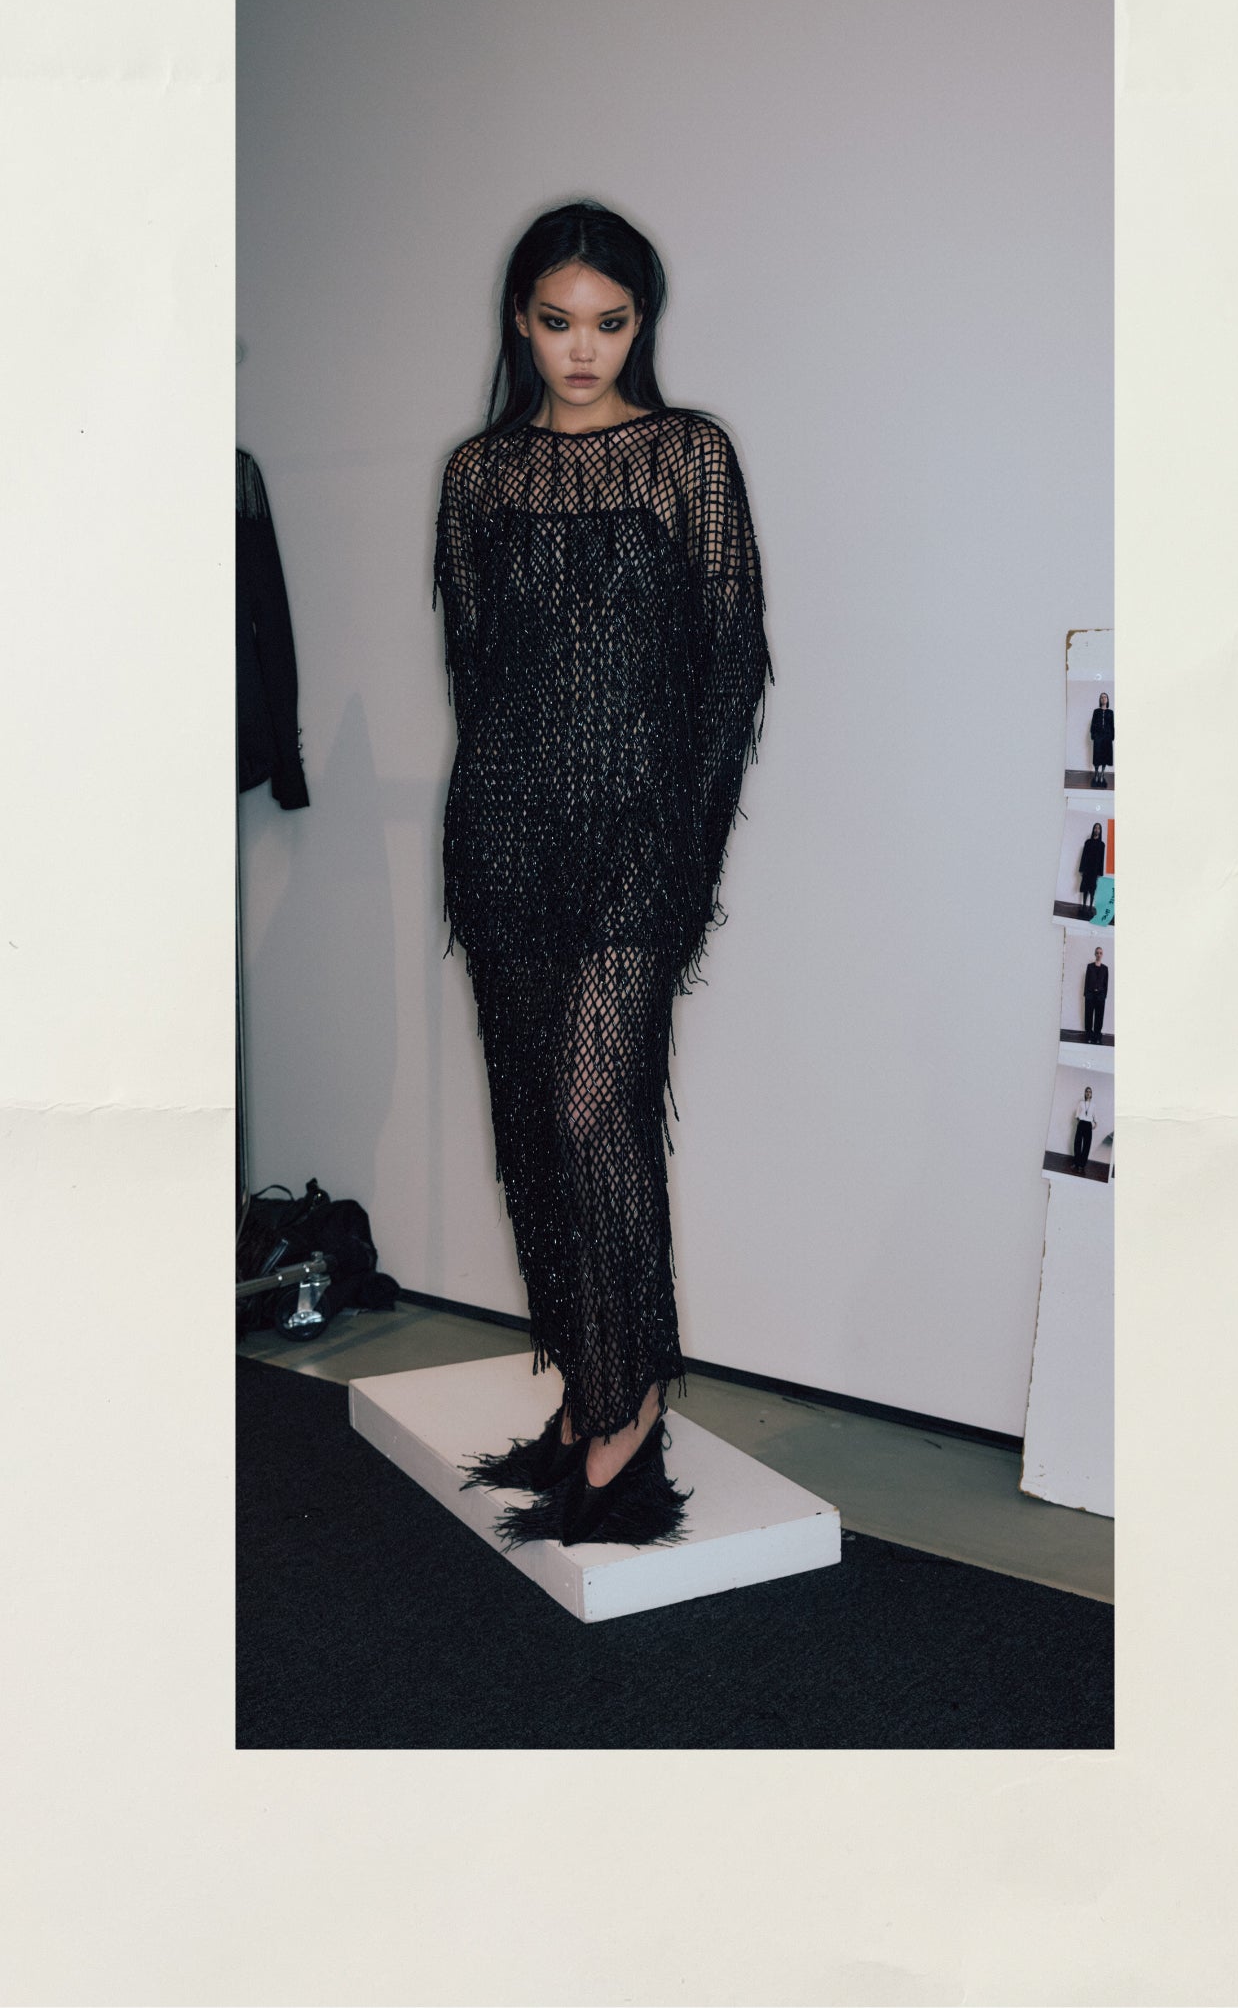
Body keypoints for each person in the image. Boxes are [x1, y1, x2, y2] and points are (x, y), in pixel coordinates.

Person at [432, 200, 773, 1551]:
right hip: (504, 830)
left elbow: (730, 670)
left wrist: (689, 850)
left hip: (639, 840)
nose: (583, 350)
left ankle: (627, 1413)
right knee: (532, 1127)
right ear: (521, 323)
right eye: (558, 321)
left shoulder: (689, 456)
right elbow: (474, 671)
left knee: (594, 1116)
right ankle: (581, 1391)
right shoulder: (479, 475)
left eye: (610, 322)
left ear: (642, 324)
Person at [1078, 820, 1106, 916]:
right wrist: (1081, 869)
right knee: (1085, 887)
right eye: (1095, 828)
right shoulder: (1088, 842)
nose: (1097, 829)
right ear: (1093, 829)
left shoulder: (1102, 845)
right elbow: (1083, 856)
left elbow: (1102, 859)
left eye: (1098, 828)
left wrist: (1100, 872)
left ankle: (1090, 907)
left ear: (1100, 831)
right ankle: (1084, 906)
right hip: (1087, 868)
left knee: (1092, 889)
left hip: (1095, 870)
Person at [1083, 945, 1108, 1042]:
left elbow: (1105, 984)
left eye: (1100, 953)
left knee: (1099, 1016)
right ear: (1095, 954)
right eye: (1097, 953)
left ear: (1102, 955)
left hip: (1100, 996)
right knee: (1088, 1015)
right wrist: (1086, 994)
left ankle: (1097, 1036)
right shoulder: (1090, 967)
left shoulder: (1105, 968)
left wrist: (1104, 996)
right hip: (1090, 995)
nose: (1099, 954)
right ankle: (1089, 1035)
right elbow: (1086, 981)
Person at [1090, 690, 1114, 787]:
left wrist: (1112, 736)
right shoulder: (1096, 711)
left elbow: (1112, 725)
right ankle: (1096, 774)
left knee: (1105, 756)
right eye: (1102, 697)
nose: (1103, 698)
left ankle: (1102, 774)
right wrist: (1093, 735)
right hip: (1098, 737)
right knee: (1097, 756)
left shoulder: (1111, 712)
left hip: (1107, 737)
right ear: (1100, 700)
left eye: (1105, 697)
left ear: (1107, 700)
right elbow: (1093, 724)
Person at [1071, 1088, 1096, 1174]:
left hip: (1088, 1125)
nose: (1088, 1093)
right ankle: (1076, 1163)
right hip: (1081, 1123)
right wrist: (1080, 1122)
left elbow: (1095, 1115)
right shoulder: (1081, 1103)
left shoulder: (1093, 1105)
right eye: (1087, 1091)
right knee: (1077, 1143)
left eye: (1090, 1092)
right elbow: (1077, 1114)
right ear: (1085, 1093)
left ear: (1091, 1094)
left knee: (1086, 1145)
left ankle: (1081, 1165)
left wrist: (1095, 1123)